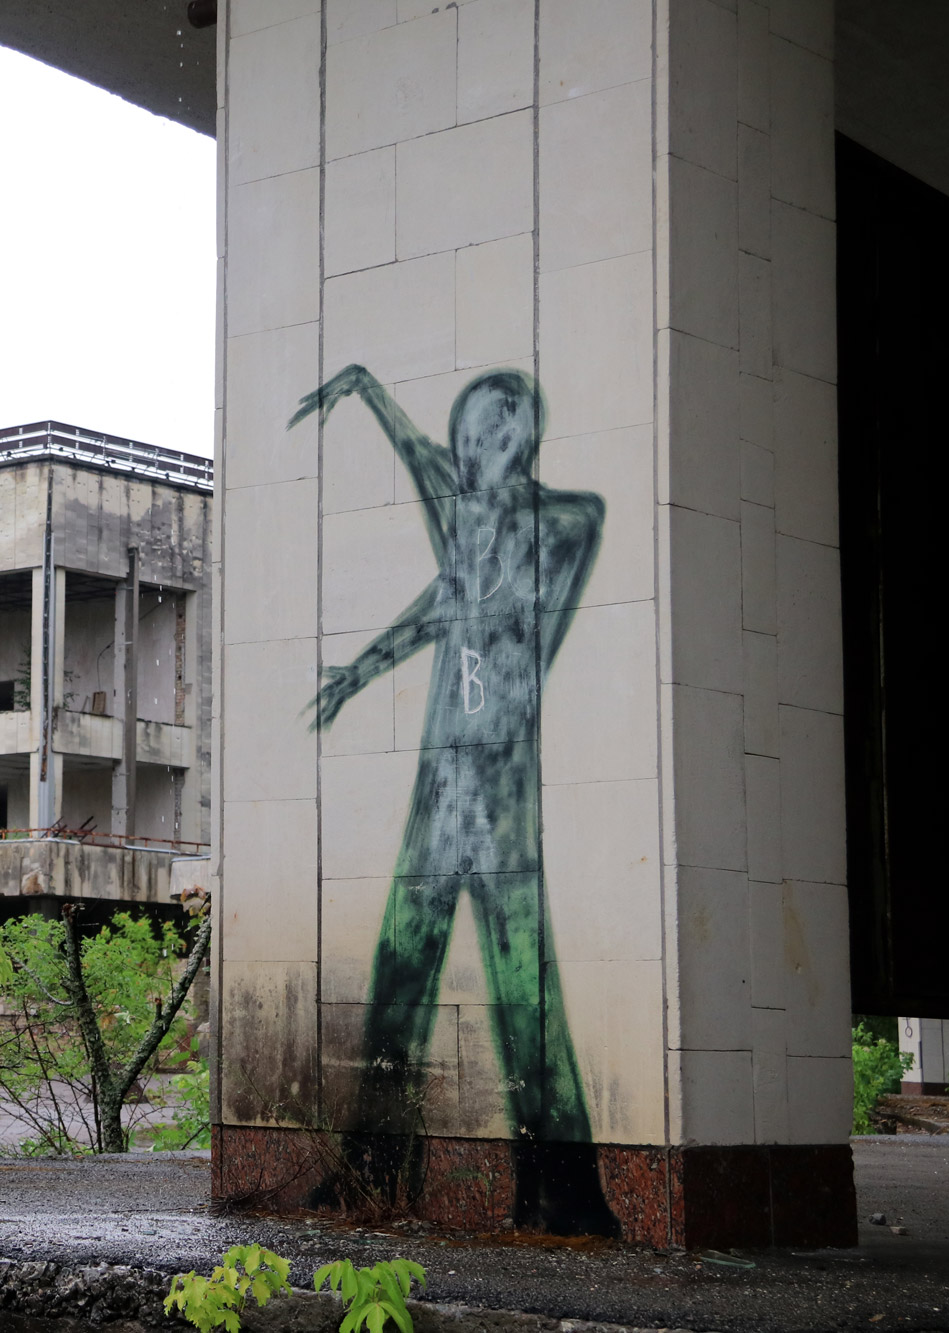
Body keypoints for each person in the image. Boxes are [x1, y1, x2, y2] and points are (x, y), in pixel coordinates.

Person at [294, 364, 617, 1235]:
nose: (464, 453)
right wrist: (360, 669)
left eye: (483, 438)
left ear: (517, 441)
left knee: (525, 995)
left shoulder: (563, 525)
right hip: (442, 795)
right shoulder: (472, 530)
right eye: (462, 436)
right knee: (398, 976)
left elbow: (492, 558)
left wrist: (379, 403)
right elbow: (449, 590)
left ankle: (563, 1191)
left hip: (500, 795)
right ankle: (373, 1169)